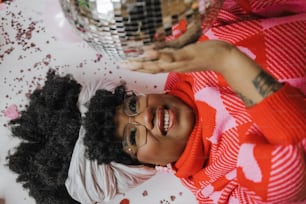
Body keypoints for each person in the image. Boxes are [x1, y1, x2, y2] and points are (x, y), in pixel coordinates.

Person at [6, 0, 306, 204]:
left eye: (132, 107)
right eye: (132, 136)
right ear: (145, 167)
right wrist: (226, 61)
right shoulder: (216, 188)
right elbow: (292, 165)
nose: (145, 117)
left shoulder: (190, 45)